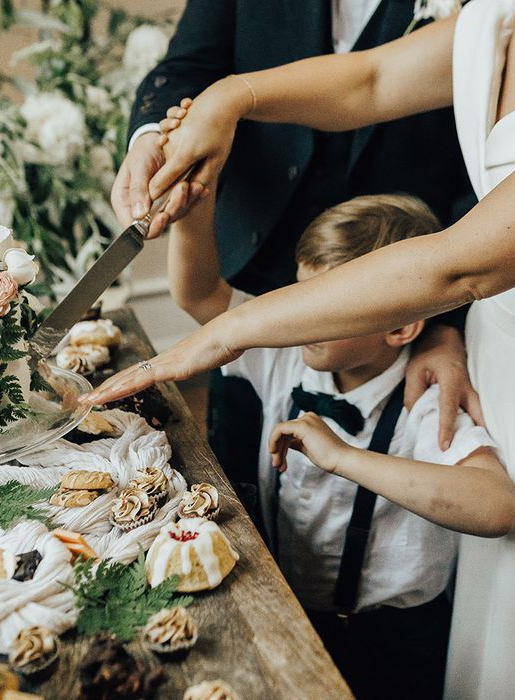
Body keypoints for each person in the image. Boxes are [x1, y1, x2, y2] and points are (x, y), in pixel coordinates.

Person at [87, 0, 515, 696]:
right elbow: (367, 81)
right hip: (496, 375)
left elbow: (462, 265)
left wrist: (231, 328)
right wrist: (231, 98)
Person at [112, 0, 479, 497]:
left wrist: (445, 317)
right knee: (236, 483)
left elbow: (478, 160)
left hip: (409, 287)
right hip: (256, 267)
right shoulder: (272, 354)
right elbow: (189, 64)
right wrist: (163, 151)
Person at [167, 187, 515, 699]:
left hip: (394, 643)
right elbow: (198, 294)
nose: (302, 316)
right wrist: (193, 210)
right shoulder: (286, 356)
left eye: (328, 305)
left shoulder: (425, 398)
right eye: (301, 296)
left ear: (400, 326)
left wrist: (347, 458)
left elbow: (497, 505)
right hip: (289, 609)